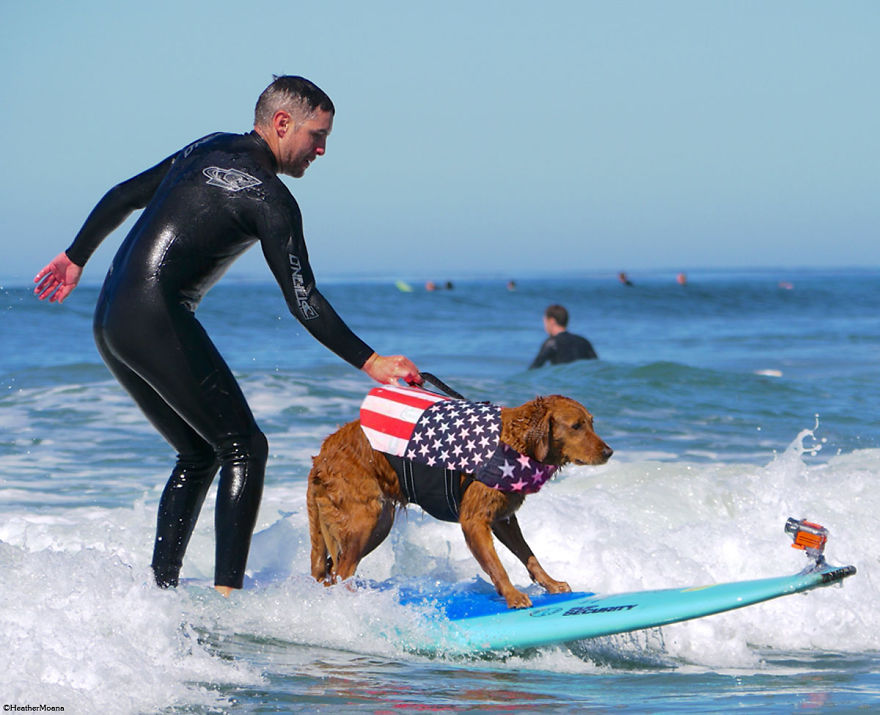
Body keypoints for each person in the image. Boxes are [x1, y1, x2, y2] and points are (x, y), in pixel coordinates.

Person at [33, 75, 421, 597]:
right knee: (245, 447)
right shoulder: (272, 199)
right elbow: (304, 300)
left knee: (199, 453)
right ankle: (227, 600)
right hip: (156, 318)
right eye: (317, 135)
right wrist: (370, 361)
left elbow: (126, 195)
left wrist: (77, 255)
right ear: (282, 123)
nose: (322, 150)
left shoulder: (207, 147)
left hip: (111, 320)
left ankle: (160, 594)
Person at [528, 304, 598, 369]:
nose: (544, 326)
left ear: (552, 321)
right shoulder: (584, 341)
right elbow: (597, 365)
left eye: (545, 322)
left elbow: (534, 368)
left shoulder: (552, 343)